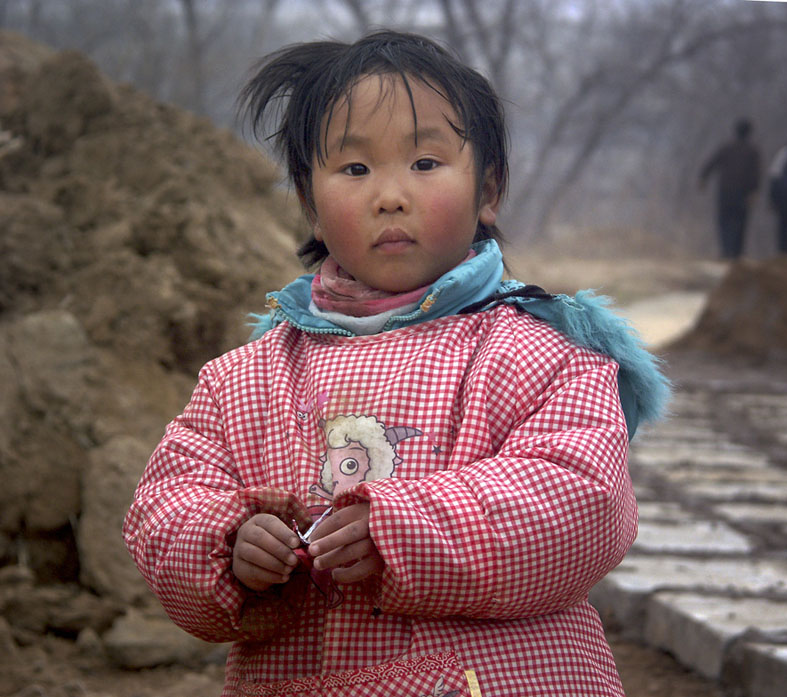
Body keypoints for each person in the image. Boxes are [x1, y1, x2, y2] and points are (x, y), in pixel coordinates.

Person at [123, 30, 669, 697]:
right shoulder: (245, 380)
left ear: (488, 191)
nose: (390, 195)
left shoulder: (541, 354)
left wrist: (401, 529)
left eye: (426, 163)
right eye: (355, 169)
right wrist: (229, 541)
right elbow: (163, 504)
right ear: (310, 205)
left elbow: (584, 500)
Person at [699, 118, 761, 258]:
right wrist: (754, 191)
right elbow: (756, 173)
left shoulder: (726, 148)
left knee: (724, 220)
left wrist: (703, 179)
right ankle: (736, 253)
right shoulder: (753, 151)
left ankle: (725, 250)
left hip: (725, 191)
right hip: (743, 193)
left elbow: (711, 163)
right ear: (749, 132)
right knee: (741, 221)